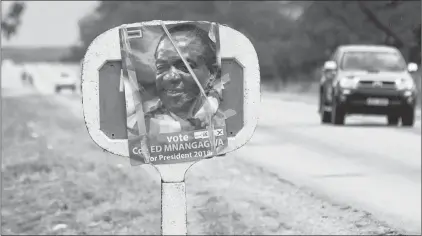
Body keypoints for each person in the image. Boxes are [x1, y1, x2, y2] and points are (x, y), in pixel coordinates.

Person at [127, 23, 226, 136]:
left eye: (185, 67)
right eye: (161, 67)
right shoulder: (139, 130)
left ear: (212, 73)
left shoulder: (230, 117)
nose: (170, 77)